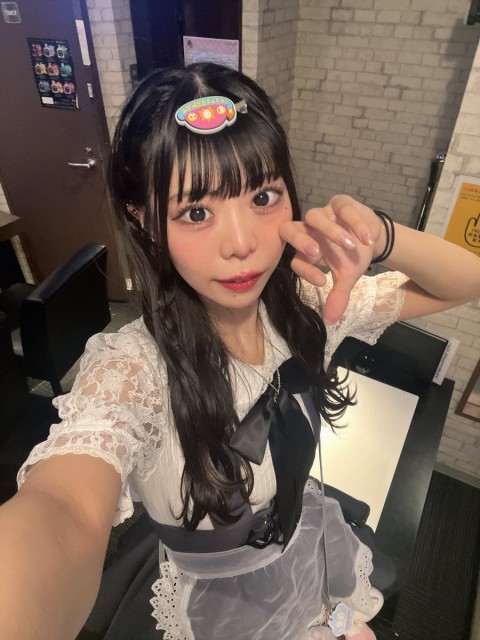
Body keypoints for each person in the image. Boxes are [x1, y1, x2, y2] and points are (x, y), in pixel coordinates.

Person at [1, 62, 480, 640]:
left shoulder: (308, 304)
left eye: (263, 196)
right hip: (219, 603)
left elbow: (464, 282)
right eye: (196, 212)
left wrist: (381, 235)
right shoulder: (131, 372)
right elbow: (65, 511)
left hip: (303, 544)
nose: (242, 243)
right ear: (143, 219)